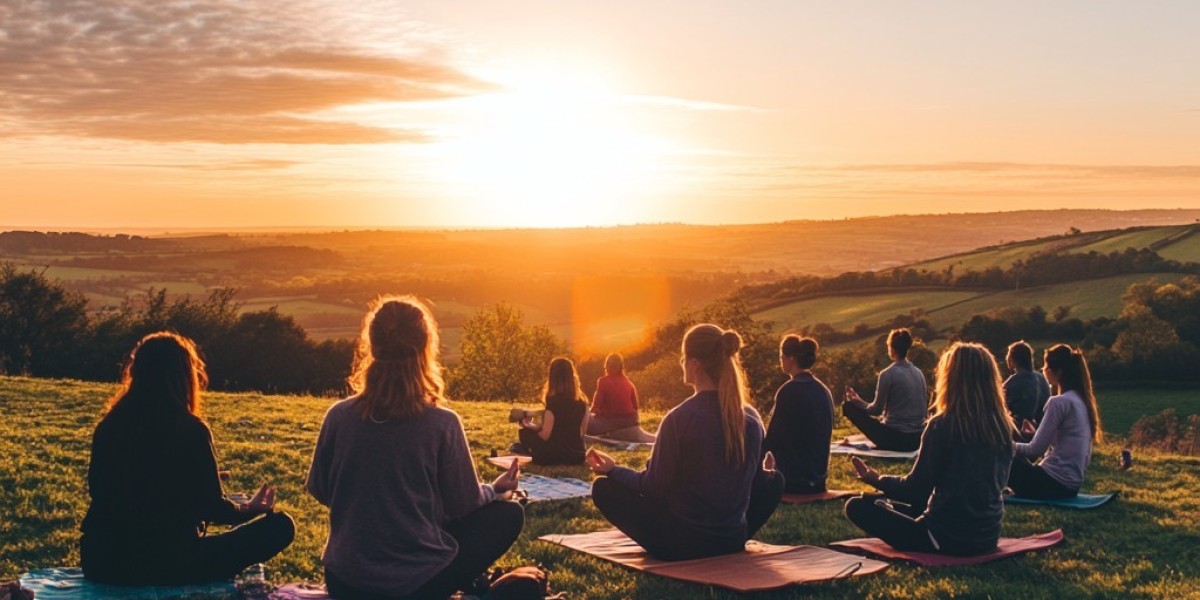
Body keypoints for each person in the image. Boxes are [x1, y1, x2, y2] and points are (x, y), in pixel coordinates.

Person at [306, 296, 523, 599]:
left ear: (372, 346)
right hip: (415, 584)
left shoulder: (338, 416)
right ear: (424, 349)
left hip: (345, 580)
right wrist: (494, 490)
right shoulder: (442, 423)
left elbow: (319, 489)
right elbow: (463, 504)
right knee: (509, 515)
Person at [81, 332, 294, 585]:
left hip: (102, 562)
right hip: (168, 563)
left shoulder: (110, 425)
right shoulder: (191, 430)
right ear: (184, 376)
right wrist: (250, 509)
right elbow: (214, 508)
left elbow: (103, 489)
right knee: (281, 526)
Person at [586, 324, 783, 561]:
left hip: (681, 544)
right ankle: (725, 537)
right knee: (776, 481)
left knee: (603, 488)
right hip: (732, 539)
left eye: (683, 357)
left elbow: (652, 488)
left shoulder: (679, 419)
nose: (681, 362)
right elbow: (752, 483)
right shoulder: (751, 418)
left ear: (694, 364)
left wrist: (613, 470)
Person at [845, 343, 1016, 556]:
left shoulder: (942, 425)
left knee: (857, 506)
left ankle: (886, 507)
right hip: (987, 537)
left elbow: (915, 489)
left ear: (950, 378)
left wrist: (876, 479)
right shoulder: (1002, 426)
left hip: (943, 538)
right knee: (889, 503)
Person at [1007, 344, 1102, 500]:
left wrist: (1003, 445)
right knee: (1015, 456)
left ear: (1057, 372)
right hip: (1070, 487)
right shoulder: (1080, 400)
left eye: (1046, 367)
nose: (1043, 370)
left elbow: (1034, 450)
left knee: (997, 455)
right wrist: (1035, 434)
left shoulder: (1058, 402)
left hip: (1052, 484)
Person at [764, 335, 834, 494]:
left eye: (781, 357)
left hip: (794, 480)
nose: (780, 361)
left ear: (790, 359)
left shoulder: (789, 390)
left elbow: (773, 438)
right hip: (818, 480)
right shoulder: (823, 389)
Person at [843, 328, 928, 451]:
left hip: (896, 439)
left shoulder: (888, 374)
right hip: (918, 439)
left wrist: (857, 401)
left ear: (891, 349)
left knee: (848, 407)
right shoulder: (918, 373)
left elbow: (875, 410)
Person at [513, 357, 588, 465]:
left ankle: (524, 450)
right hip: (576, 456)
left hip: (553, 456)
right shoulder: (582, 403)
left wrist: (528, 425)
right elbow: (582, 432)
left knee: (525, 433)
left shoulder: (553, 402)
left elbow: (545, 435)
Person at [587, 353, 656, 443]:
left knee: (584, 420)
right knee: (652, 438)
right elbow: (636, 406)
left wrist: (587, 414)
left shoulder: (603, 381)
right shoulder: (628, 383)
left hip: (612, 424)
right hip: (631, 423)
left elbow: (595, 407)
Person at [1002, 340, 1052, 425]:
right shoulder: (1042, 378)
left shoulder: (1012, 383)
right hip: (1041, 426)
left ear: (1012, 360)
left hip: (1020, 427)